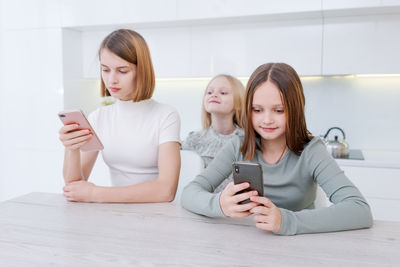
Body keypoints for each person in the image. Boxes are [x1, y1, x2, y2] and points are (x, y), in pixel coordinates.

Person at [181, 63, 373, 235]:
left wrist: (286, 221)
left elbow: (359, 209)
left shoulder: (311, 151)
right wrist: (219, 204)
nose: (267, 120)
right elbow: (190, 193)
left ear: (295, 109)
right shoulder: (238, 144)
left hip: (298, 247)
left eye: (279, 110)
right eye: (257, 110)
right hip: (247, 244)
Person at [59, 29, 181, 203]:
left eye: (122, 71)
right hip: (116, 215)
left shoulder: (166, 115)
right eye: (105, 70)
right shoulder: (98, 117)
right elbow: (74, 187)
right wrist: (71, 148)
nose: (111, 80)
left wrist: (94, 194)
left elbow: (166, 191)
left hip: (157, 217)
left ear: (142, 71)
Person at [181, 74, 245, 191]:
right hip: (203, 202)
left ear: (239, 104)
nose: (214, 95)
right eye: (209, 92)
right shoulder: (194, 139)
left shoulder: (246, 140)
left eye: (223, 93)